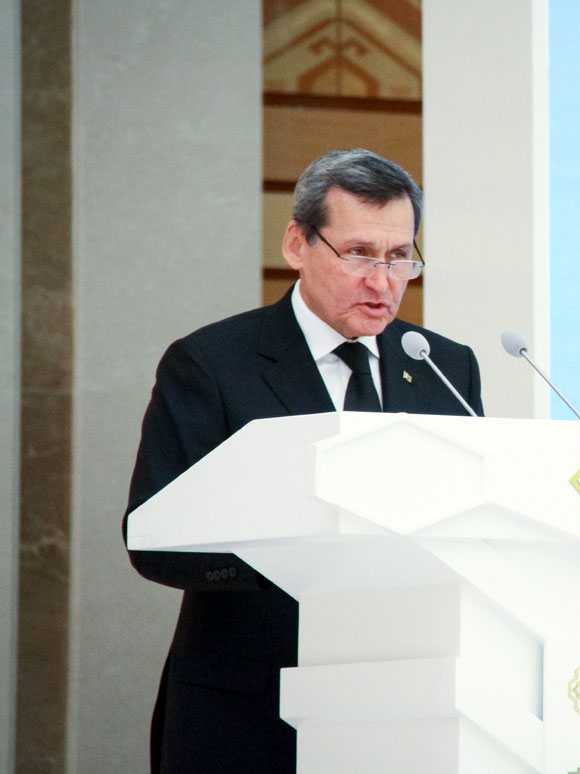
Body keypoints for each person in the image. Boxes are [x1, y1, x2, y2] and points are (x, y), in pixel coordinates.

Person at [123, 148, 483, 773]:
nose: (382, 282)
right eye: (359, 254)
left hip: (405, 708)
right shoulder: (212, 364)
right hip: (248, 710)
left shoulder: (444, 367)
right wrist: (303, 560)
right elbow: (154, 542)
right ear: (297, 244)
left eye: (400, 257)